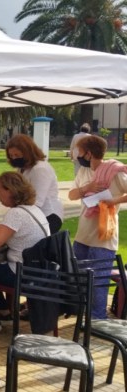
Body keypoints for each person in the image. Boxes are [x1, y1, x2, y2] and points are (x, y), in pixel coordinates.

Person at [0, 172, 50, 332]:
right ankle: (4, 312)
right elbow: (21, 230)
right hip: (38, 270)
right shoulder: (34, 210)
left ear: (11, 190)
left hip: (21, 273)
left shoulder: (15, 213)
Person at [68, 135, 127, 319]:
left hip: (104, 235)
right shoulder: (84, 172)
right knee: (79, 277)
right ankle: (80, 312)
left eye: (80, 152)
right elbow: (71, 195)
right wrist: (89, 187)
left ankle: (97, 320)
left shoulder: (114, 171)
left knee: (99, 281)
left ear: (89, 153)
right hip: (83, 234)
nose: (77, 155)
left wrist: (112, 201)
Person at [5, 134, 63, 233]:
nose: (14, 158)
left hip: (48, 216)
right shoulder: (23, 168)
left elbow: (36, 201)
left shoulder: (40, 169)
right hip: (33, 215)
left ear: (27, 152)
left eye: (17, 155)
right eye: (11, 156)